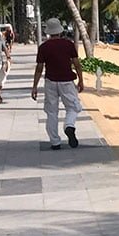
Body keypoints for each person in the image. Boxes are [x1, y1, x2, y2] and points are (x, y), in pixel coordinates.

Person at [31, 18, 85, 150]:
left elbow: (39, 68)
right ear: (60, 30)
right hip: (66, 80)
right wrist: (81, 80)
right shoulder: (68, 44)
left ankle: (55, 142)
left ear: (48, 32)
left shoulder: (43, 47)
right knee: (73, 107)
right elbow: (76, 64)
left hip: (50, 81)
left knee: (51, 112)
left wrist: (35, 86)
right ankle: (69, 126)